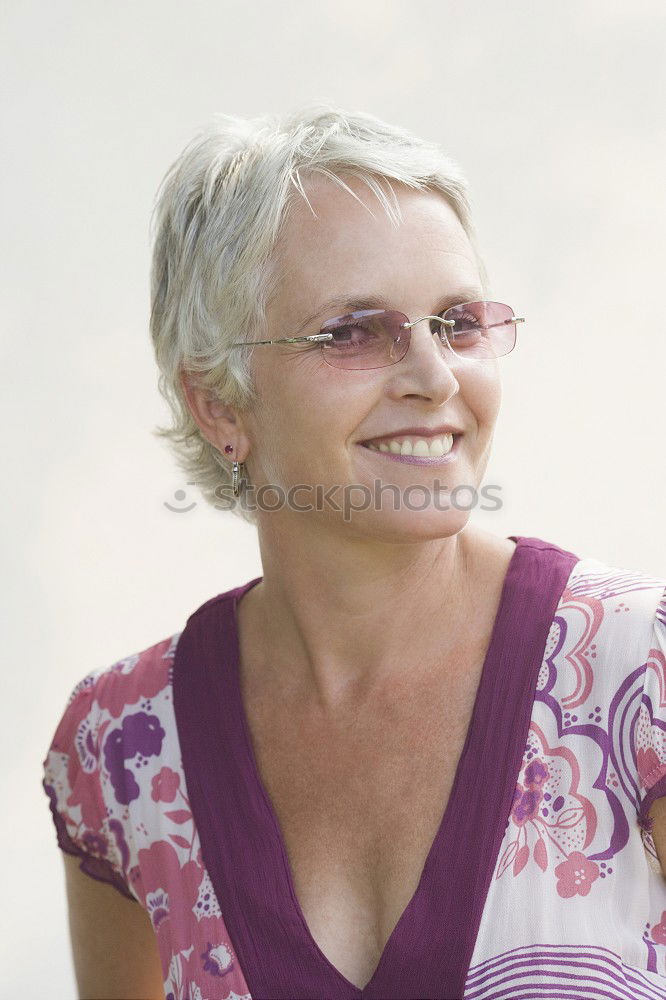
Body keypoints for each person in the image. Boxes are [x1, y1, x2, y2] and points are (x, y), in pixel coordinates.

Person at [42, 104, 666, 1000]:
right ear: (221, 403)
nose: (435, 376)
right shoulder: (122, 747)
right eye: (352, 332)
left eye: (457, 322)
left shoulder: (638, 671)